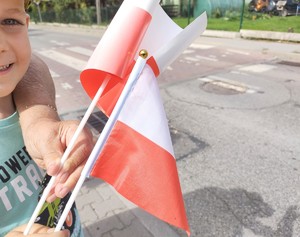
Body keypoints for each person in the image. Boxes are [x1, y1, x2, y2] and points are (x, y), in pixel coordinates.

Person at [0, 0, 92, 236]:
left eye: (10, 21)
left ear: (26, 24)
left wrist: (40, 119)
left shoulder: (17, 82)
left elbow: (31, 62)